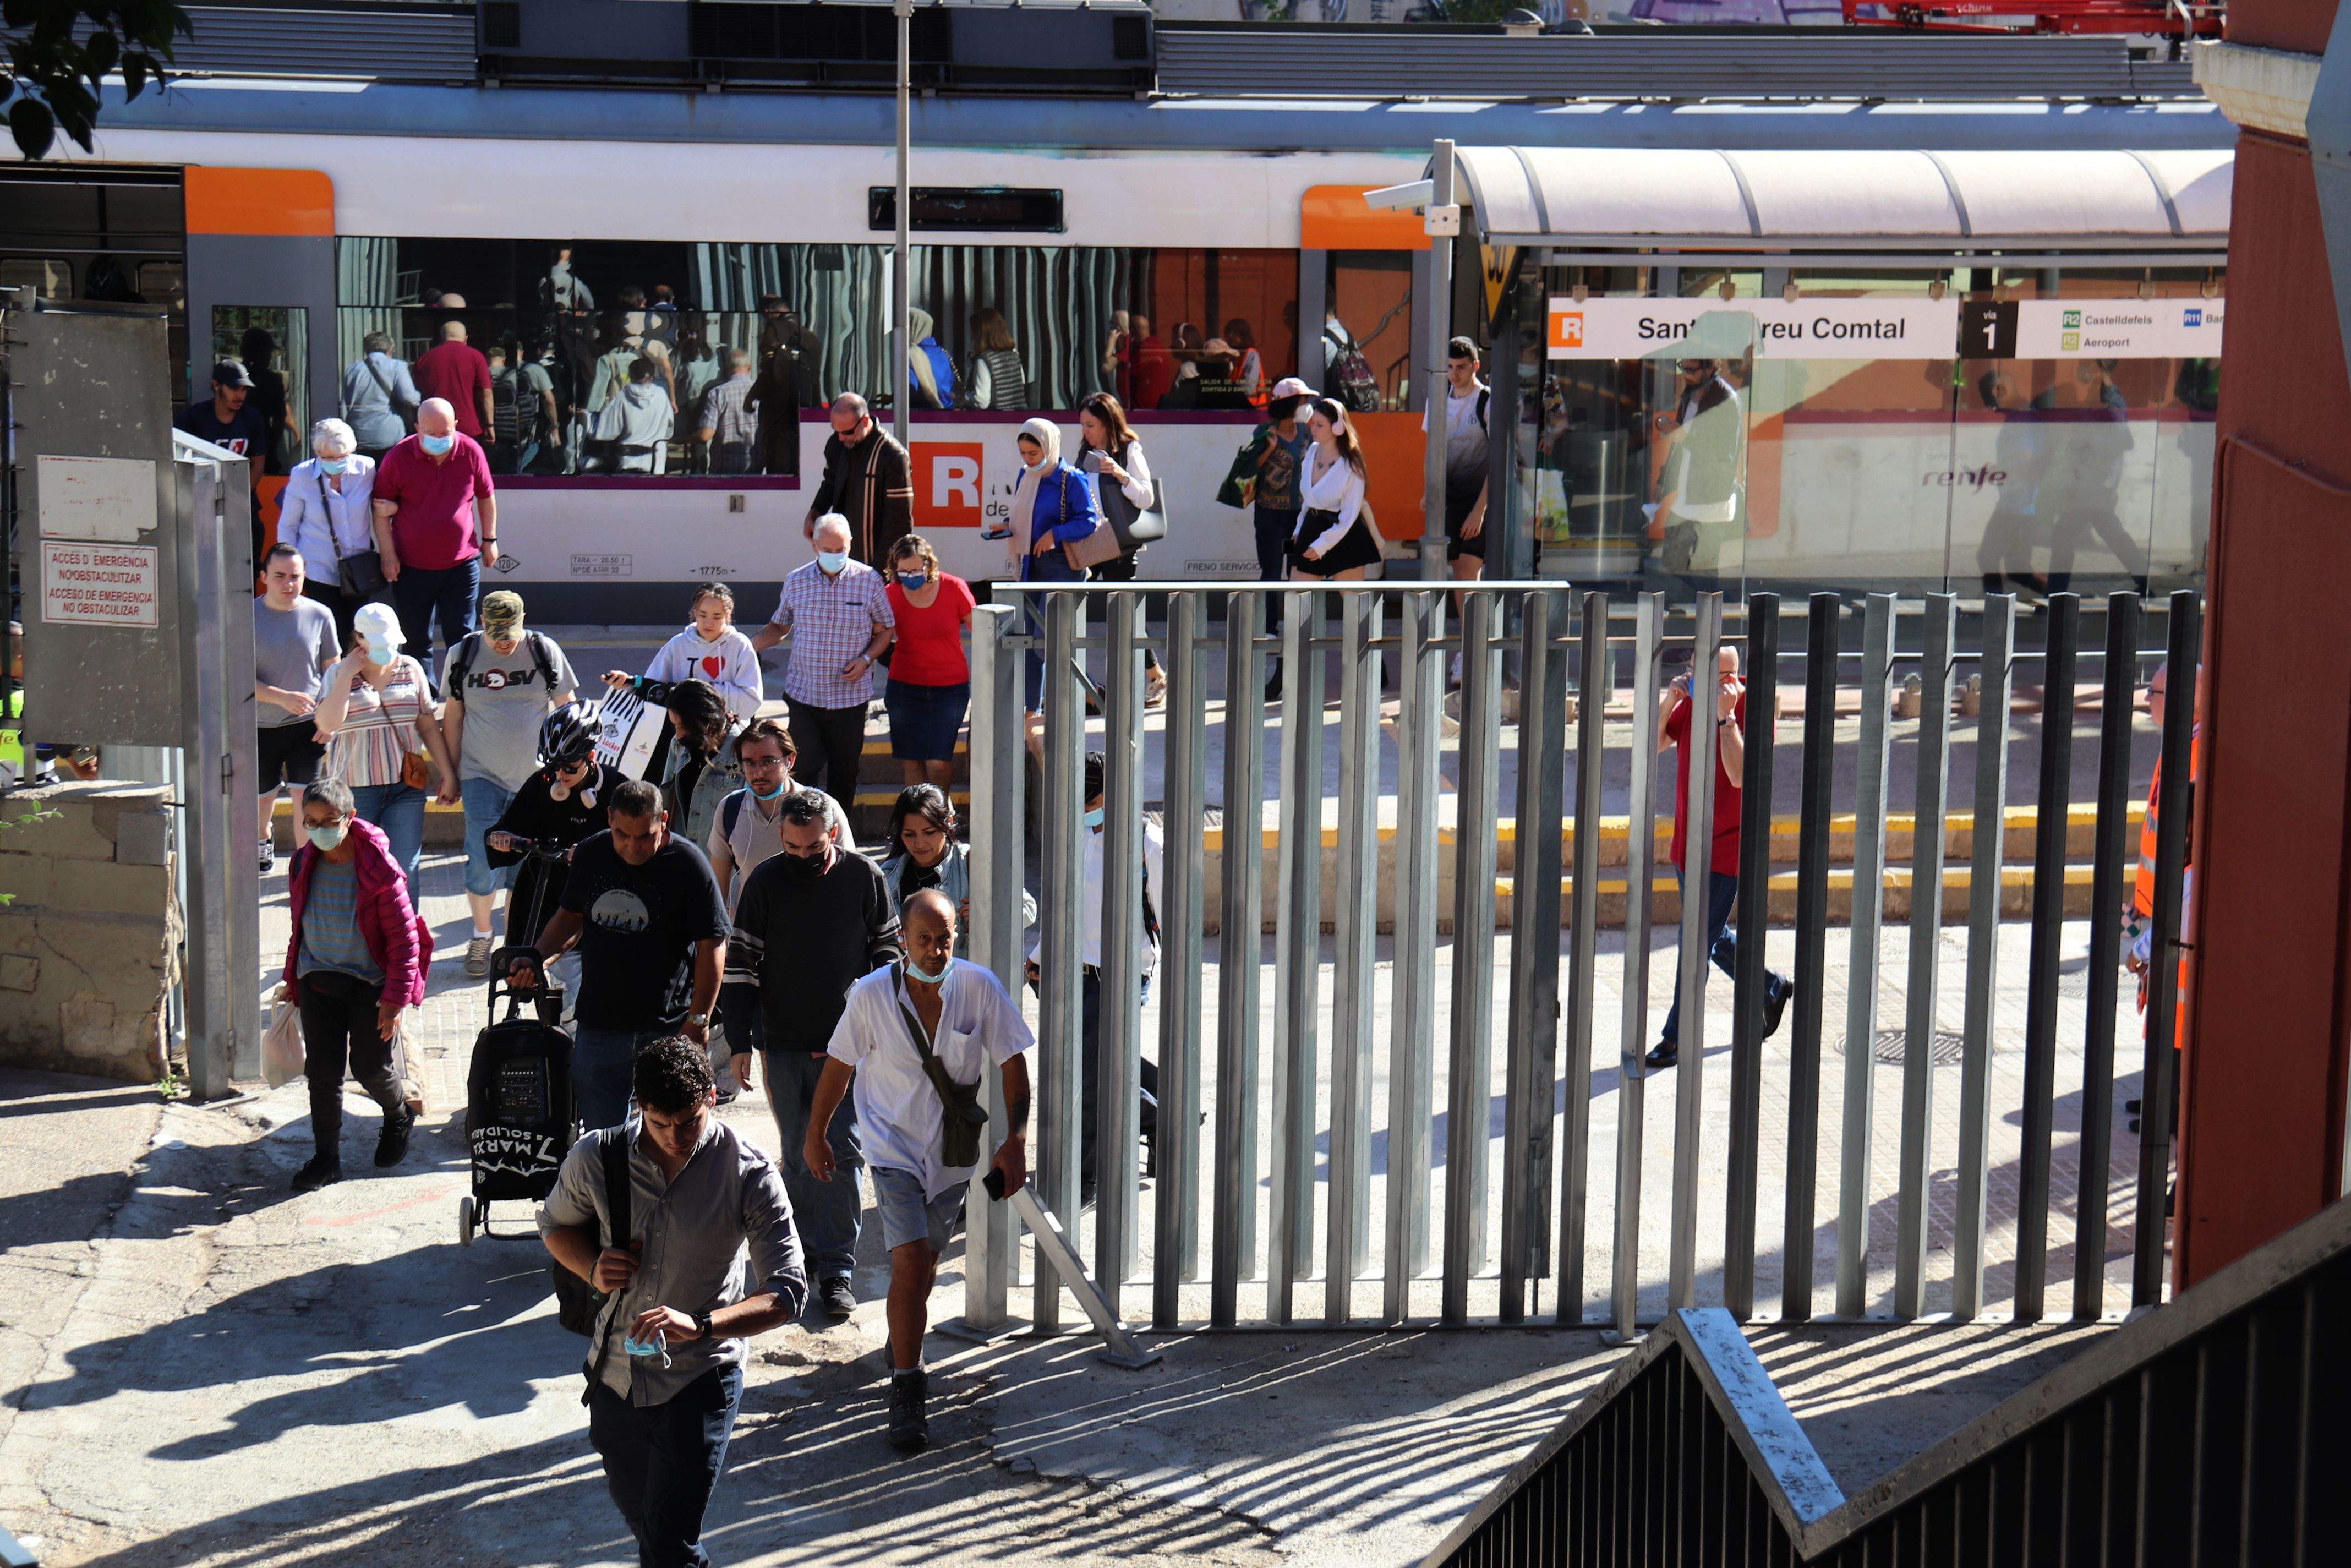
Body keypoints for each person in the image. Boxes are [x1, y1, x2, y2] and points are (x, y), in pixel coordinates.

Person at [537, 1036, 805, 1568]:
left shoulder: (747, 1171)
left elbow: (789, 1292)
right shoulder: (598, 1156)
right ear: (640, 1107)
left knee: (666, 1543)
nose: (677, 1136)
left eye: (690, 1120)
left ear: (712, 1095)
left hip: (701, 1377)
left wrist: (702, 1324)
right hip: (615, 1375)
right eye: (661, 1123)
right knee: (654, 1531)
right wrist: (591, 1265)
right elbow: (554, 1224)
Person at [808, 888, 1031, 1450]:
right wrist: (815, 1135)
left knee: (925, 1264)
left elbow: (1012, 1062)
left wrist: (1017, 1140)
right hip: (891, 1149)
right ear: (902, 938)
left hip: (951, 1155)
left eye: (945, 938)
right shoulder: (869, 996)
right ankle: (908, 1389)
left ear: (958, 934)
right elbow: (838, 1066)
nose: (935, 950)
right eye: (924, 939)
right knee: (908, 1261)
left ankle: (901, 1338)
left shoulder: (979, 987)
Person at [721, 790, 903, 1325]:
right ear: (781, 837)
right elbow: (740, 967)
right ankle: (797, 1260)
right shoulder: (764, 882)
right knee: (800, 1154)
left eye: (815, 847)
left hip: (849, 1050)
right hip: (783, 1043)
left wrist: (869, 1023)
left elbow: (888, 952)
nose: (803, 856)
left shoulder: (864, 878)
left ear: (834, 835)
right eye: (793, 846)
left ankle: (837, 1269)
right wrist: (738, 1042)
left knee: (843, 1152)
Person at [510, 778, 730, 1131]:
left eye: (645, 836)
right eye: (622, 835)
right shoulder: (591, 854)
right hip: (600, 1024)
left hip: (667, 1026)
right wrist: (538, 957)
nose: (632, 847)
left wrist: (698, 1021)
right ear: (610, 819)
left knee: (671, 1134)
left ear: (665, 820)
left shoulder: (689, 865)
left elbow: (713, 946)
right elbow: (571, 917)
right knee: (603, 1139)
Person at [1643, 644, 1790, 1072]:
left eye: (1707, 673)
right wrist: (1670, 699)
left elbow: (1740, 774)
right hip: (1686, 844)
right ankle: (1771, 987)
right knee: (1709, 936)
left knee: (1695, 944)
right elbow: (1654, 743)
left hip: (1726, 850)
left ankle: (1676, 1038)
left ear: (1731, 677)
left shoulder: (1751, 710)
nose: (1695, 679)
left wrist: (1726, 718)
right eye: (1692, 670)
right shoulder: (1690, 704)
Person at [278, 777, 429, 1193]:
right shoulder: (302, 862)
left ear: (350, 818)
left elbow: (404, 941)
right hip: (318, 981)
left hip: (369, 986)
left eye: (328, 820)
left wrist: (394, 1001)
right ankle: (327, 1158)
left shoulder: (380, 869)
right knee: (322, 1072)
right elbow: (299, 927)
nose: (319, 828)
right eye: (310, 820)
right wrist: (293, 977)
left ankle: (398, 1114)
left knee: (368, 1067)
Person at [1026, 752, 1163, 1195]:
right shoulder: (1079, 836)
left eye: (1095, 800)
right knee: (1089, 1069)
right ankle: (1157, 1115)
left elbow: (1170, 918)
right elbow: (1068, 906)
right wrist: (1041, 955)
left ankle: (1087, 1175)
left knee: (1093, 1078)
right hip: (1072, 971)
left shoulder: (1148, 846)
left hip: (1120, 978)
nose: (1088, 809)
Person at [438, 591, 579, 976]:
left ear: (524, 620)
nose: (504, 641)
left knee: (525, 867)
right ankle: (482, 934)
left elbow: (568, 707)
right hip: (480, 773)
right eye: (496, 632)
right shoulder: (462, 655)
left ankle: (515, 940)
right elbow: (452, 717)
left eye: (510, 632)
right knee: (483, 859)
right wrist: (451, 774)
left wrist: (571, 767)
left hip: (535, 780)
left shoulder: (543, 651)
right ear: (482, 623)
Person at [750, 515, 894, 808]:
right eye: (827, 550)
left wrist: (867, 660)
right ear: (814, 546)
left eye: (840, 549)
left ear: (850, 544)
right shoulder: (796, 580)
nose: (834, 556)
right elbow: (779, 626)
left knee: (844, 775)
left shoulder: (869, 581)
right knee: (803, 769)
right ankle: (803, 835)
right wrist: (745, 647)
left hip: (849, 700)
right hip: (805, 695)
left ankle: (840, 841)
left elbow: (886, 628)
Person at [311, 603, 453, 900]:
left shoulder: (411, 668)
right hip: (355, 792)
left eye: (390, 643)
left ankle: (407, 944)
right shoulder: (338, 674)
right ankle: (365, 943)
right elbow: (327, 723)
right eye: (378, 644)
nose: (386, 650)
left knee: (405, 871)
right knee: (358, 871)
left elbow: (427, 725)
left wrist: (449, 774)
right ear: (359, 639)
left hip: (405, 787)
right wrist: (347, 676)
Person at [370, 397, 497, 680]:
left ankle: (460, 698)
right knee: (416, 640)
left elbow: (486, 496)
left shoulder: (470, 451)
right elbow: (381, 510)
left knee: (462, 639)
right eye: (431, 433)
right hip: (412, 567)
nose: (439, 439)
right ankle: (423, 703)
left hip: (462, 564)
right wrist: (388, 556)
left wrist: (490, 539)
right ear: (417, 428)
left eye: (445, 433)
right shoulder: (398, 457)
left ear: (455, 425)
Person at [487, 703, 623, 963]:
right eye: (554, 766)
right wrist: (502, 837)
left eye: (569, 767)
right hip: (544, 889)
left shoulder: (617, 788)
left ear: (591, 757)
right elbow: (511, 826)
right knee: (523, 967)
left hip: (596, 898)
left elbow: (632, 843)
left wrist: (592, 852)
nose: (560, 775)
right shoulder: (542, 784)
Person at [1217, 378, 1315, 695]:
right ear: (1290, 404)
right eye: (1302, 401)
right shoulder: (1265, 432)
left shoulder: (1310, 432)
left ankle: (1297, 624)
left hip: (1300, 514)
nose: (1306, 407)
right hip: (1270, 512)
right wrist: (1269, 449)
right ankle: (1270, 628)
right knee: (1271, 570)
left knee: (1298, 571)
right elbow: (1248, 469)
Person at [1000, 417, 1103, 714]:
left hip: (1061, 568)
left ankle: (1083, 695)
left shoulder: (1070, 478)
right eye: (1023, 453)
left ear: (1049, 446)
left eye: (1033, 454)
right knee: (1031, 644)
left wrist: (1055, 535)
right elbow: (1026, 516)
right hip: (1031, 567)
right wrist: (1007, 527)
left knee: (1048, 644)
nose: (1028, 460)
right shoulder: (1027, 475)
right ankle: (1032, 710)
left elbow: (1088, 521)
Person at [253, 543, 341, 874]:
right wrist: (280, 697)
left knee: (306, 799)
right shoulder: (247, 617)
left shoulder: (320, 615)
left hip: (308, 725)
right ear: (264, 578)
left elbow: (334, 671)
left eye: (295, 577)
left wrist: (330, 717)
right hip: (261, 726)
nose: (288, 584)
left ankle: (304, 866)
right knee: (263, 798)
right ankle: (263, 840)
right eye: (279, 577)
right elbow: (234, 680)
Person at [707, 719, 851, 918]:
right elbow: (717, 892)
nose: (758, 773)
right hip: (752, 939)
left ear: (790, 760)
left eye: (768, 762)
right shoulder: (730, 810)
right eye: (749, 763)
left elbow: (850, 881)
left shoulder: (825, 809)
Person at [1074, 394, 1166, 704]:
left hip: (1120, 544)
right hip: (1091, 539)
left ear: (1108, 423)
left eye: (1091, 424)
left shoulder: (1129, 450)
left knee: (1123, 614)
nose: (1085, 431)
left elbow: (1146, 498)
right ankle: (1078, 683)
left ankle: (1154, 675)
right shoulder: (1086, 452)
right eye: (1083, 425)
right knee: (1069, 602)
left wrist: (1119, 473)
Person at [877, 784, 1033, 952]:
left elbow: (1028, 908)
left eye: (929, 832)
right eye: (910, 834)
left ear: (948, 823)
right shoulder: (888, 876)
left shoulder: (974, 864)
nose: (919, 843)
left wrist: (989, 917)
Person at [882, 534, 975, 791]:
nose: (910, 575)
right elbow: (878, 634)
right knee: (912, 763)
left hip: (949, 688)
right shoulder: (890, 594)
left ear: (928, 565)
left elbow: (981, 626)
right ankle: (918, 818)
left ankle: (940, 813)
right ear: (895, 570)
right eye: (904, 571)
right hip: (904, 686)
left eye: (916, 569)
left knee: (938, 763)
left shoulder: (953, 587)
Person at [276, 418, 379, 644]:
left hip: (359, 570)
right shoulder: (302, 475)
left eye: (342, 457)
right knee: (332, 635)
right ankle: (334, 678)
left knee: (360, 636)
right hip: (317, 569)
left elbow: (381, 508)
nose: (335, 463)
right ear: (317, 453)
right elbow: (288, 525)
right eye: (328, 458)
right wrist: (288, 566)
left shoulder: (367, 469)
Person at [611, 582, 762, 727]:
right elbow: (653, 689)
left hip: (726, 731)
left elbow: (751, 700)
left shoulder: (740, 645)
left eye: (717, 617)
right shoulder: (678, 644)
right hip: (681, 731)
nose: (709, 623)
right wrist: (628, 683)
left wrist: (701, 694)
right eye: (703, 615)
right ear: (694, 613)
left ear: (728, 616)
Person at [1654, 358, 1744, 589]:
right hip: (1686, 491)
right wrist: (1664, 479)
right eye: (1682, 367)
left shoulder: (1726, 400)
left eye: (1691, 370)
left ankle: (1704, 617)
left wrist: (1685, 437)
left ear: (1711, 368)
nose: (1685, 374)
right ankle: (1679, 611)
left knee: (1704, 568)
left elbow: (1724, 453)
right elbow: (1680, 442)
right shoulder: (1689, 394)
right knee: (1673, 562)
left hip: (1711, 495)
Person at [174, 359, 272, 566]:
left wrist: (238, 497)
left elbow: (258, 464)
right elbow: (178, 461)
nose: (240, 395)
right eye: (235, 388)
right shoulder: (193, 418)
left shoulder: (252, 419)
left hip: (243, 509)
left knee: (248, 567)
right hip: (202, 510)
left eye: (244, 389)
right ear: (216, 386)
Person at [803, 392, 912, 569]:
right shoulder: (837, 444)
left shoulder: (893, 456)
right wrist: (815, 512)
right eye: (836, 430)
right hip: (844, 557)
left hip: (875, 561)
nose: (840, 438)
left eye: (846, 432)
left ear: (865, 422)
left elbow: (899, 524)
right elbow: (830, 482)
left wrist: (880, 571)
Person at [1290, 397, 1382, 581]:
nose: (1313, 428)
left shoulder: (1351, 465)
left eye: (1320, 425)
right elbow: (1309, 501)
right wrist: (1298, 530)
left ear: (1337, 427)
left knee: (1352, 602)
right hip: (1312, 528)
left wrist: (1323, 545)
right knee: (1297, 595)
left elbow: (1349, 515)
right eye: (1312, 423)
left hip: (1344, 534)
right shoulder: (1312, 451)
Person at [651, 680, 746, 857]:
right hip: (683, 857)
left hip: (723, 863)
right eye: (675, 726)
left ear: (706, 720)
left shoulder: (743, 750)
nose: (679, 735)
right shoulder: (679, 745)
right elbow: (666, 798)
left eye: (684, 726)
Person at [1426, 336, 1492, 587]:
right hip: (1449, 498)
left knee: (1469, 569)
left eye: (1461, 367)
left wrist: (1480, 511)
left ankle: (1474, 627)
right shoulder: (1438, 400)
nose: (1454, 373)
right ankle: (1469, 628)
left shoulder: (1487, 401)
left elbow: (1498, 460)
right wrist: (1428, 491)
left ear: (1475, 366)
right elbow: (1431, 449)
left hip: (1479, 496)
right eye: (1450, 367)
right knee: (1459, 572)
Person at [342, 331, 420, 462]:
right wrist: (421, 396)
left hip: (359, 434)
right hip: (390, 434)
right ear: (390, 349)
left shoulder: (352, 370)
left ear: (366, 350)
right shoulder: (397, 367)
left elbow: (346, 403)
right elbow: (410, 398)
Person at [412, 320, 495, 442]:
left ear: (442, 338)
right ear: (466, 339)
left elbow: (415, 394)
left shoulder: (424, 359)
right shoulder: (476, 357)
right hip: (469, 428)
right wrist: (490, 425)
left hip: (433, 428)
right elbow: (486, 393)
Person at [594, 355, 676, 475]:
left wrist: (587, 418)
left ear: (631, 375)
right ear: (652, 377)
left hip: (627, 461)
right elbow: (669, 430)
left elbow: (607, 431)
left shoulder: (623, 396)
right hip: (655, 461)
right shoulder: (661, 395)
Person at [238, 325, 301, 473]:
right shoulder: (238, 378)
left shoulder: (271, 380)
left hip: (261, 446)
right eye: (267, 351)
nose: (269, 356)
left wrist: (271, 443)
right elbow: (280, 418)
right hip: (246, 445)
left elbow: (281, 416)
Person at [695, 349, 760, 476]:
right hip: (755, 463)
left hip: (724, 465)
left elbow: (705, 435)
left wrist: (682, 439)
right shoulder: (762, 393)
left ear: (727, 368)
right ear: (750, 367)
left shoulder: (718, 393)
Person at [965, 308, 1027, 411]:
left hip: (996, 421)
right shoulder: (1014, 355)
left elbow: (981, 401)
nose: (972, 337)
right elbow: (1022, 383)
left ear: (982, 334)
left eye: (974, 332)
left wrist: (964, 397)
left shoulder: (984, 361)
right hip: (1018, 418)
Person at [905, 307, 955, 411]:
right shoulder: (943, 353)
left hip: (924, 416)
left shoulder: (913, 355)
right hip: (948, 412)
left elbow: (911, 390)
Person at [1223, 317, 1265, 403]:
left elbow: (1248, 388)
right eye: (1228, 334)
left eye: (1234, 335)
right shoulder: (1237, 356)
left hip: (1251, 409)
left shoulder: (1251, 354)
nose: (1230, 339)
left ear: (1243, 336)